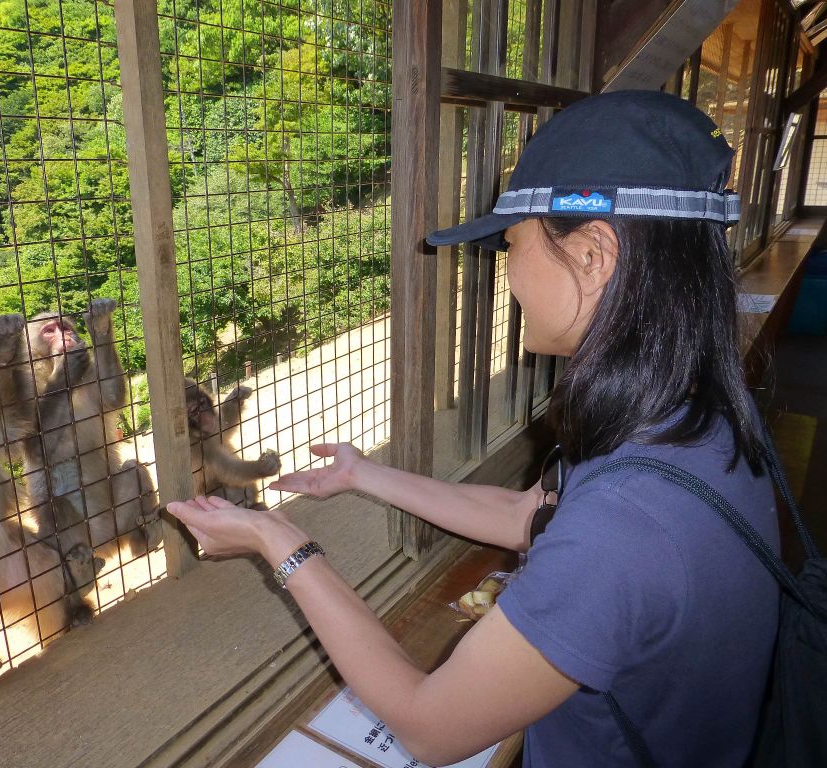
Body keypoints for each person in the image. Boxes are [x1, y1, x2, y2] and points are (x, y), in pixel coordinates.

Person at [168, 90, 779, 767]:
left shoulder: (628, 524)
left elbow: (430, 728)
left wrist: (275, 538)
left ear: (593, 254)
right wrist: (361, 474)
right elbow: (532, 515)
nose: (507, 274)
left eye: (512, 244)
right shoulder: (690, 414)